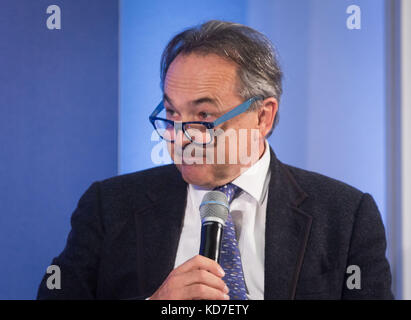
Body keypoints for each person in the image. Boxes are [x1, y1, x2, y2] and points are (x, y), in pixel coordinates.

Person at [37, 20, 393, 300]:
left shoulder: (345, 216)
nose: (180, 136)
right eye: (172, 113)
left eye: (204, 116)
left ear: (262, 117)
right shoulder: (109, 206)